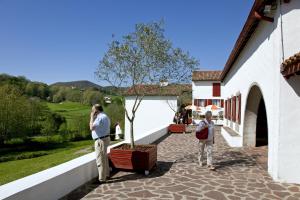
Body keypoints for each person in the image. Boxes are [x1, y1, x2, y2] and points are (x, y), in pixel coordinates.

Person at [89, 104, 111, 183]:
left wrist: (91, 117)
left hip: (100, 141)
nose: (92, 111)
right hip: (105, 138)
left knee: (100, 159)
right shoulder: (105, 116)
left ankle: (102, 179)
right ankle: (107, 175)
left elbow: (91, 128)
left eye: (92, 110)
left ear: (96, 110)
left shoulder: (100, 118)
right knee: (104, 158)